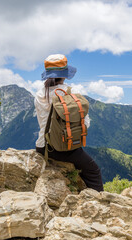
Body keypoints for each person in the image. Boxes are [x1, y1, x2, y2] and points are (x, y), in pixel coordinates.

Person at [34, 54, 103, 192]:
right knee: (93, 171)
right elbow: (85, 124)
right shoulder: (71, 93)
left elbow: (42, 123)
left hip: (43, 147)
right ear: (64, 74)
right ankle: (97, 201)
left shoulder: (39, 94)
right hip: (65, 148)